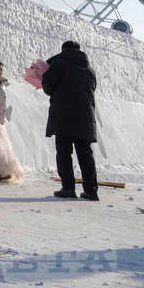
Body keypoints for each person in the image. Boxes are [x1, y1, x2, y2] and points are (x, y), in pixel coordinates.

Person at [43, 40, 98, 201]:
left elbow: (48, 87)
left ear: (63, 50)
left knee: (64, 153)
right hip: (85, 117)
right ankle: (91, 191)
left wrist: (45, 74)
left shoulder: (59, 64)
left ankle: (68, 188)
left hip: (64, 115)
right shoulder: (89, 70)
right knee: (85, 154)